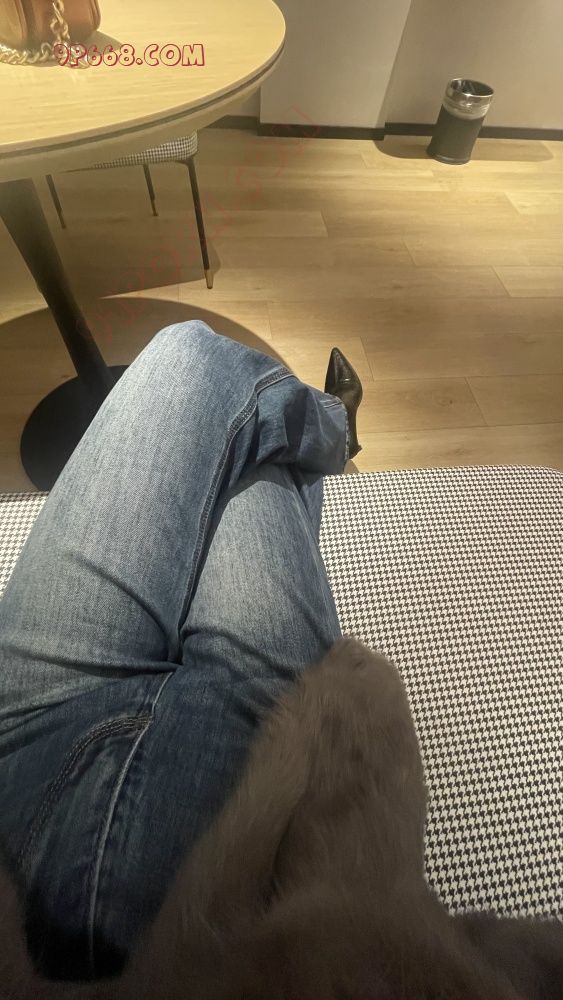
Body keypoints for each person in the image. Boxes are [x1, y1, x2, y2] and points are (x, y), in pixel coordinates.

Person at [0, 321, 362, 982]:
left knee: (226, 414)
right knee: (209, 383)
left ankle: (327, 429)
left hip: (23, 764)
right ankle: (333, 428)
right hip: (257, 781)